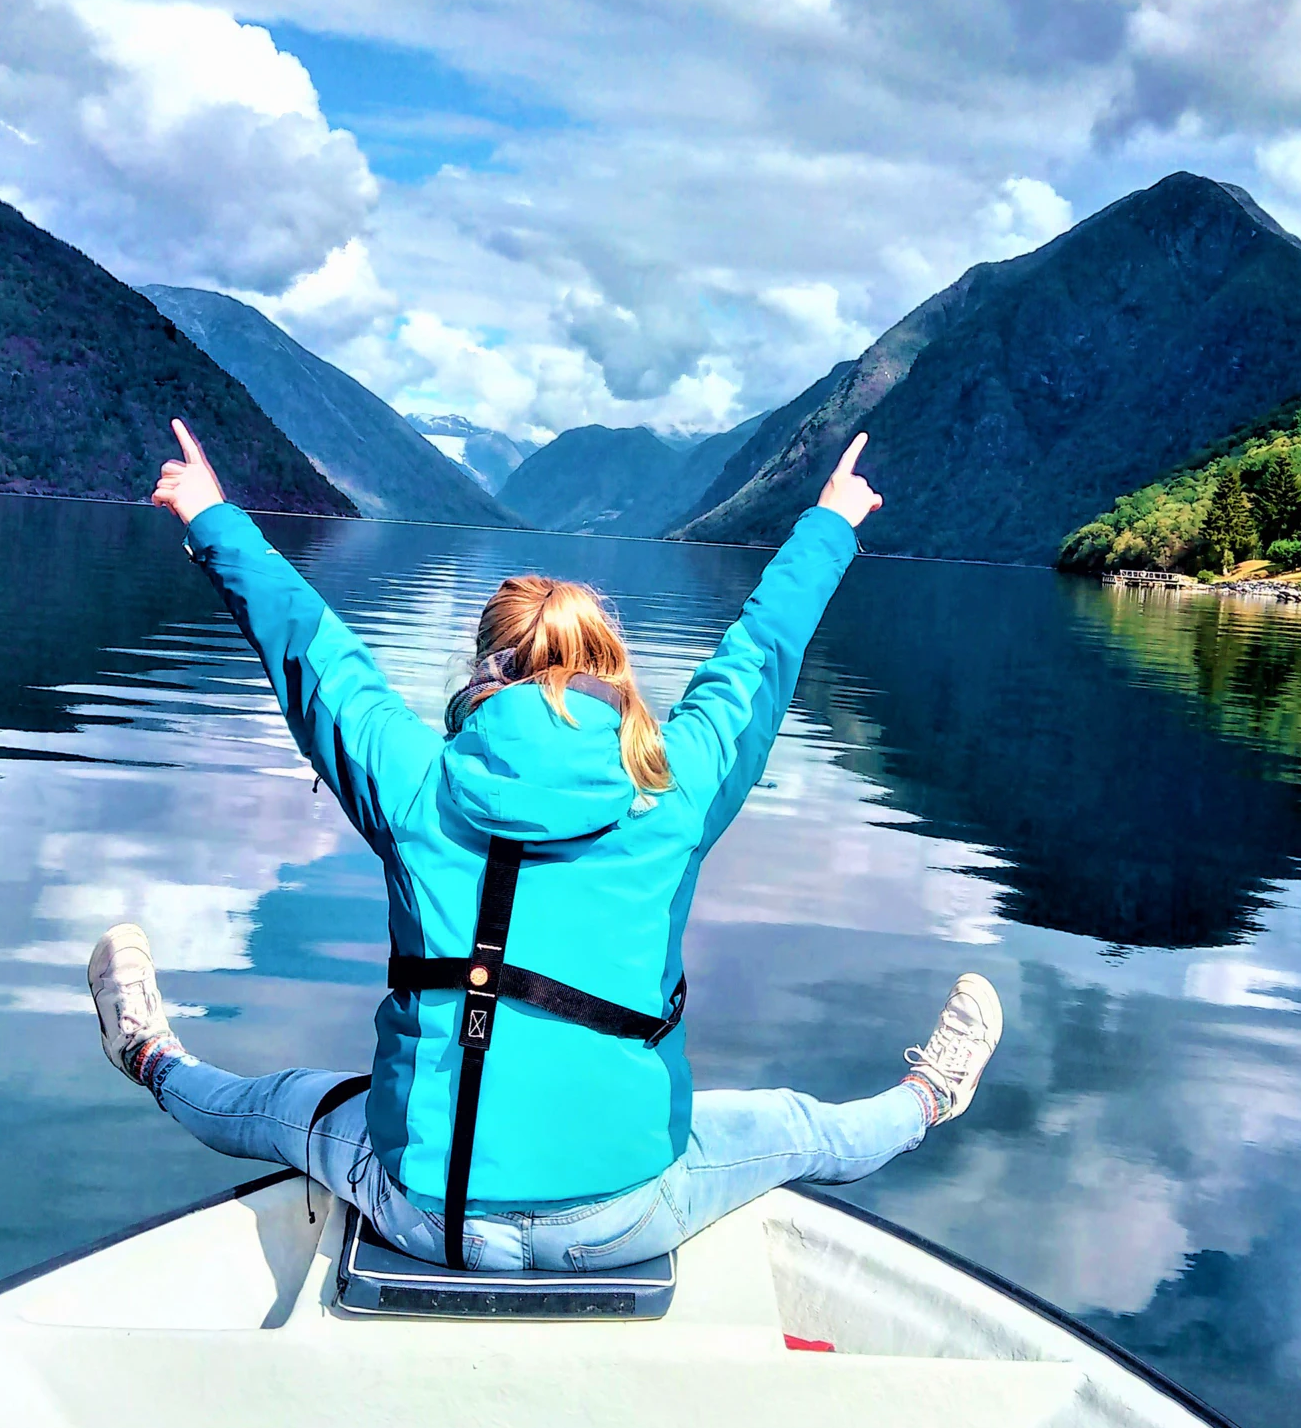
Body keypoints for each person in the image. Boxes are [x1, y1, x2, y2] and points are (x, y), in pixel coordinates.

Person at [85, 418, 1003, 1273]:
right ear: (612, 669)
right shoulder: (670, 790)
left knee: (275, 1105)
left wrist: (210, 514)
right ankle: (929, 1100)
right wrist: (831, 522)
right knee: (797, 1127)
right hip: (623, 1214)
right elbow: (758, 654)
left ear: (483, 668)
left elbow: (315, 656)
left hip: (426, 1212)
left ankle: (150, 1054)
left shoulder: (413, 783)